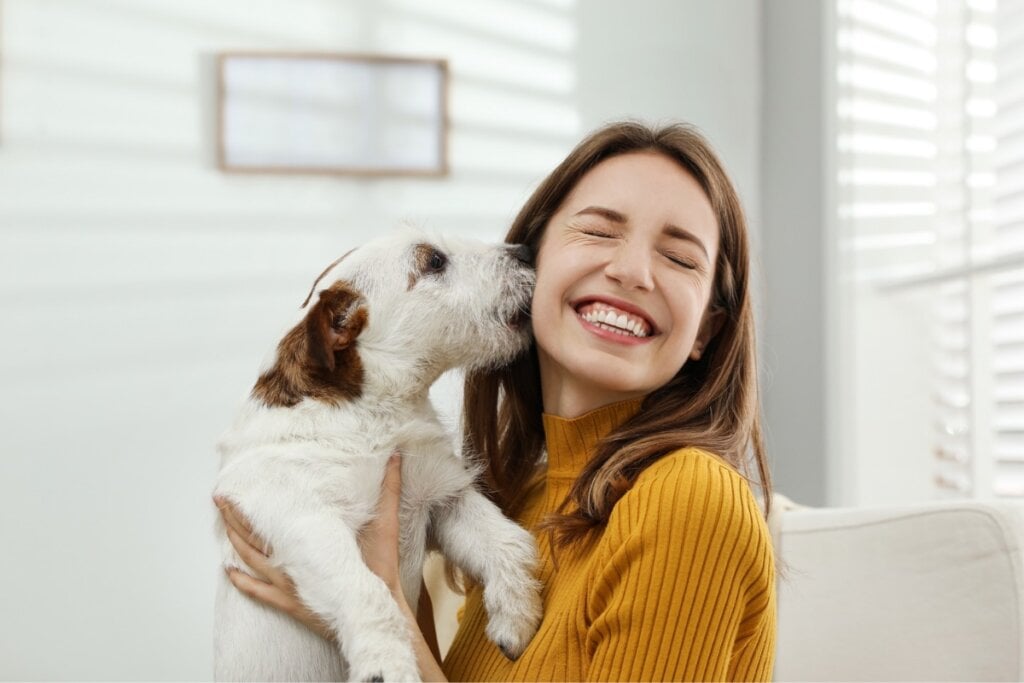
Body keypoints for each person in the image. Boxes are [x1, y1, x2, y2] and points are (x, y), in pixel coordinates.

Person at [217, 120, 777, 681]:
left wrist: (380, 603)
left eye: (680, 258)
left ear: (707, 329)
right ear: (534, 257)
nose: (631, 271)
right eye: (600, 232)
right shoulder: (528, 498)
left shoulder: (689, 499)